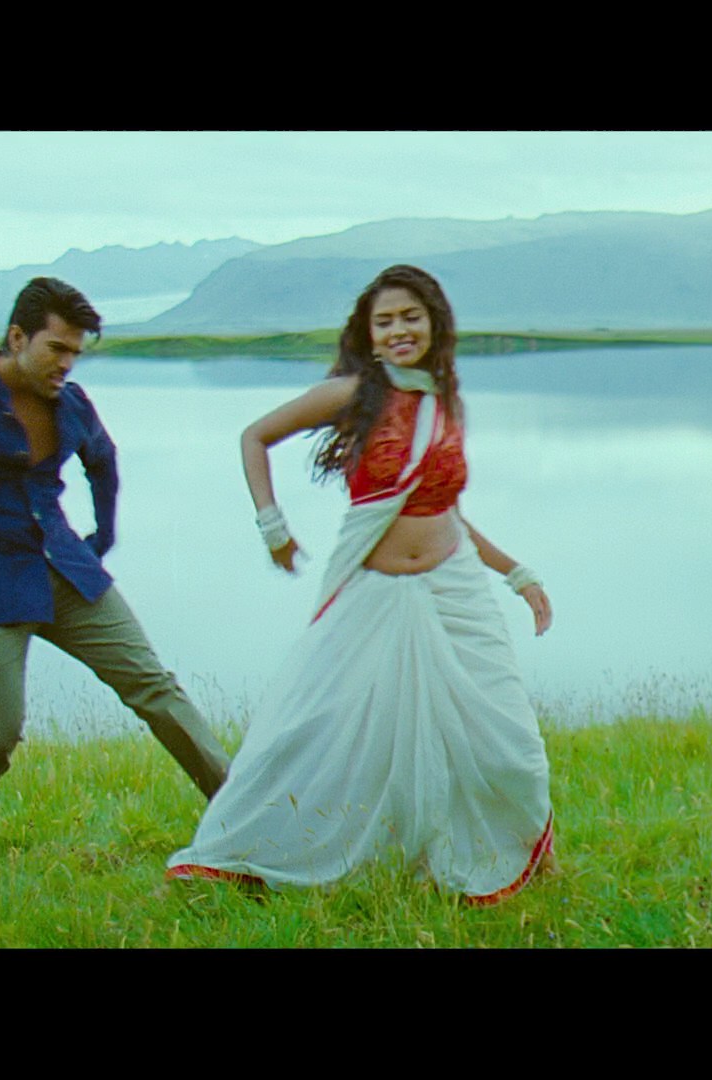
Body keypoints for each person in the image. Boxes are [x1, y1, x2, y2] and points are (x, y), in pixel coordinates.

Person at [166, 264, 554, 905]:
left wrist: (516, 572)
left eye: (411, 317)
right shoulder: (351, 394)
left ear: (434, 325)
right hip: (372, 591)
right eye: (385, 321)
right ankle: (245, 848)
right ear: (368, 336)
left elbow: (447, 510)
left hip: (455, 589)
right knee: (312, 726)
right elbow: (254, 437)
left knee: (506, 733)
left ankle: (520, 852)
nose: (400, 330)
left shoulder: (443, 401)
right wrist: (272, 526)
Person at [0, 276, 231, 861]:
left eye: (76, 351)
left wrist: (102, 537)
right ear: (16, 338)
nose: (67, 364)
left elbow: (104, 460)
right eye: (57, 349)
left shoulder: (72, 403)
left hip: (71, 574)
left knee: (155, 688)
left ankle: (242, 811)